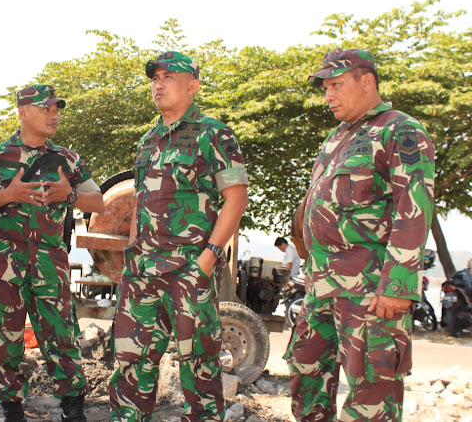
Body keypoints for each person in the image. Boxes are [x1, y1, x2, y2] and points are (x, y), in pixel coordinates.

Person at [284, 49, 435, 421]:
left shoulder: (401, 131)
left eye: (336, 85)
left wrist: (397, 286)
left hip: (369, 290)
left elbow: (412, 210)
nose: (328, 96)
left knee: (371, 391)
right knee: (306, 376)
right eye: (325, 88)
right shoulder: (337, 138)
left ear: (366, 82)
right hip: (321, 286)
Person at [109, 51, 249, 421]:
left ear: (193, 86)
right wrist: (131, 253)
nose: (158, 83)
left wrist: (209, 256)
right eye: (155, 77)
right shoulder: (148, 139)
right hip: (142, 269)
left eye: (168, 77)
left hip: (189, 266)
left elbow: (236, 197)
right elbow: (141, 201)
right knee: (130, 358)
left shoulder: (212, 132)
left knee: (199, 360)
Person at [0, 85, 105, 422]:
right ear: (23, 112)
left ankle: (73, 408)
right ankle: (11, 408)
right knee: (3, 337)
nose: (54, 114)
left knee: (61, 336)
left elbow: (98, 202)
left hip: (50, 260)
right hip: (3, 261)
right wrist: (7, 194)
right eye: (45, 108)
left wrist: (69, 194)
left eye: (57, 107)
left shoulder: (67, 159)